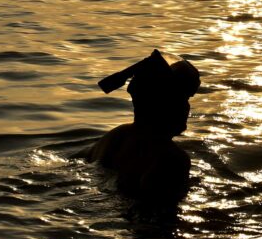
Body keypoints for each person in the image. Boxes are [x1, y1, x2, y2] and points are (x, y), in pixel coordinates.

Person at [85, 49, 200, 204]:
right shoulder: (172, 159)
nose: (187, 107)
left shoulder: (114, 137)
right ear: (165, 103)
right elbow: (159, 213)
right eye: (184, 98)